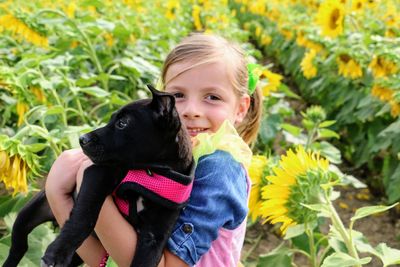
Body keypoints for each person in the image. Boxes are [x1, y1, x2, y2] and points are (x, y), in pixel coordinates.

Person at [45, 32, 263, 267]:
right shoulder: (157, 162)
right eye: (178, 95)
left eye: (212, 97)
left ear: (240, 108)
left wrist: (90, 181)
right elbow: (107, 260)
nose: (191, 110)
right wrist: (59, 195)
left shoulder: (217, 169)